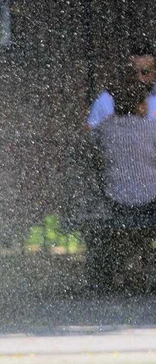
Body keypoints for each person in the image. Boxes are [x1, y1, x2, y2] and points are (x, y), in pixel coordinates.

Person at [88, 67, 156, 291]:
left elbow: (93, 149)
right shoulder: (151, 129)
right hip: (149, 200)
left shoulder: (105, 128)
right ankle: (141, 266)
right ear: (142, 106)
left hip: (115, 199)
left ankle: (118, 271)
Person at [87, 40, 156, 129]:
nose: (139, 77)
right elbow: (91, 132)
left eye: (145, 72)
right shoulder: (108, 99)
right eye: (133, 72)